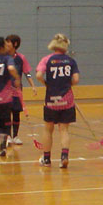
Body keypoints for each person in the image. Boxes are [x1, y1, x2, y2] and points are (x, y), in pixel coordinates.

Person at [35, 33, 80, 169]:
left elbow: (38, 75)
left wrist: (47, 84)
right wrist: (67, 85)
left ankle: (47, 159)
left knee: (48, 129)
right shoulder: (71, 61)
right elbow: (76, 80)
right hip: (66, 99)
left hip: (51, 99)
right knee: (64, 129)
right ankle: (64, 156)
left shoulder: (47, 59)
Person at [6, 34, 35, 144]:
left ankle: (15, 136)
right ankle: (8, 136)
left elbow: (27, 73)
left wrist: (33, 86)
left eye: (8, 42)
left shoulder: (21, 58)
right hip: (5, 92)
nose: (6, 44)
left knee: (16, 113)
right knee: (6, 114)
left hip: (17, 91)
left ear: (15, 44)